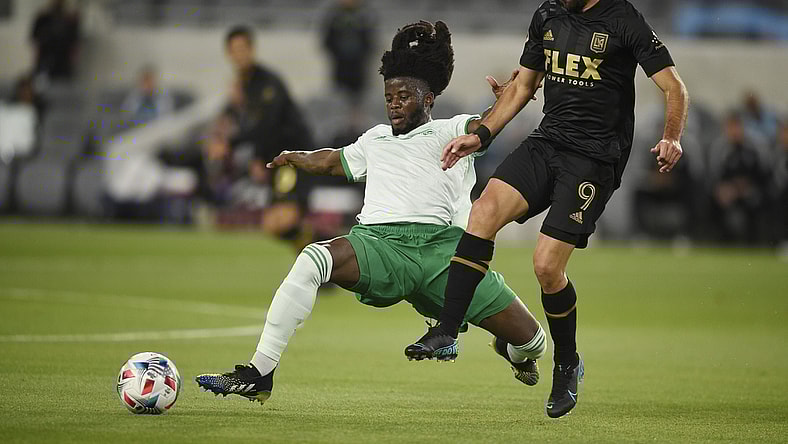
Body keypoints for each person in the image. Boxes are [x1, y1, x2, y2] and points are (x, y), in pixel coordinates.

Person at [195, 21, 547, 406]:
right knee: (314, 258)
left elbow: (488, 123)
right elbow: (332, 161)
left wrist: (511, 96)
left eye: (404, 96)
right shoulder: (373, 140)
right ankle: (259, 373)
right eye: (389, 96)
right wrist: (297, 157)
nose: (393, 102)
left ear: (429, 99)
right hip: (379, 246)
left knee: (532, 341)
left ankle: (512, 352)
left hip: (447, 259)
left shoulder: (455, 130)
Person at [404, 0, 689, 419]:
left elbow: (675, 87)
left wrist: (672, 137)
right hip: (548, 141)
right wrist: (481, 136)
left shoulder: (623, 19)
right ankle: (447, 331)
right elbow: (522, 87)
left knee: (546, 267)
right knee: (482, 212)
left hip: (594, 158)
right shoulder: (548, 14)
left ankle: (567, 363)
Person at [321, 0, 376, 103]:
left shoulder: (364, 17)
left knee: (358, 97)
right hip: (340, 65)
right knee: (339, 95)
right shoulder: (334, 17)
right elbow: (327, 41)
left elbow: (370, 42)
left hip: (358, 66)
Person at [30, 0, 80, 81]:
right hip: (45, 60)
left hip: (62, 63)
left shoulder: (69, 20)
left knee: (62, 88)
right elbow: (35, 39)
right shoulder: (43, 19)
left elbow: (74, 43)